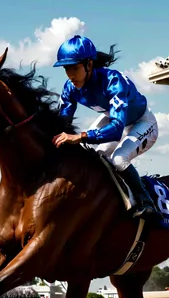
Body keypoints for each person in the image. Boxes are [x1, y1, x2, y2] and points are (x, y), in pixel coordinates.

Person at [52, 35, 161, 220]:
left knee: (118, 159)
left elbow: (117, 129)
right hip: (111, 118)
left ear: (89, 65)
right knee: (92, 155)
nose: (70, 75)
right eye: (66, 69)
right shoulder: (70, 87)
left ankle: (146, 202)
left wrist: (80, 136)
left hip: (142, 122)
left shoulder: (113, 81)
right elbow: (63, 124)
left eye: (75, 68)